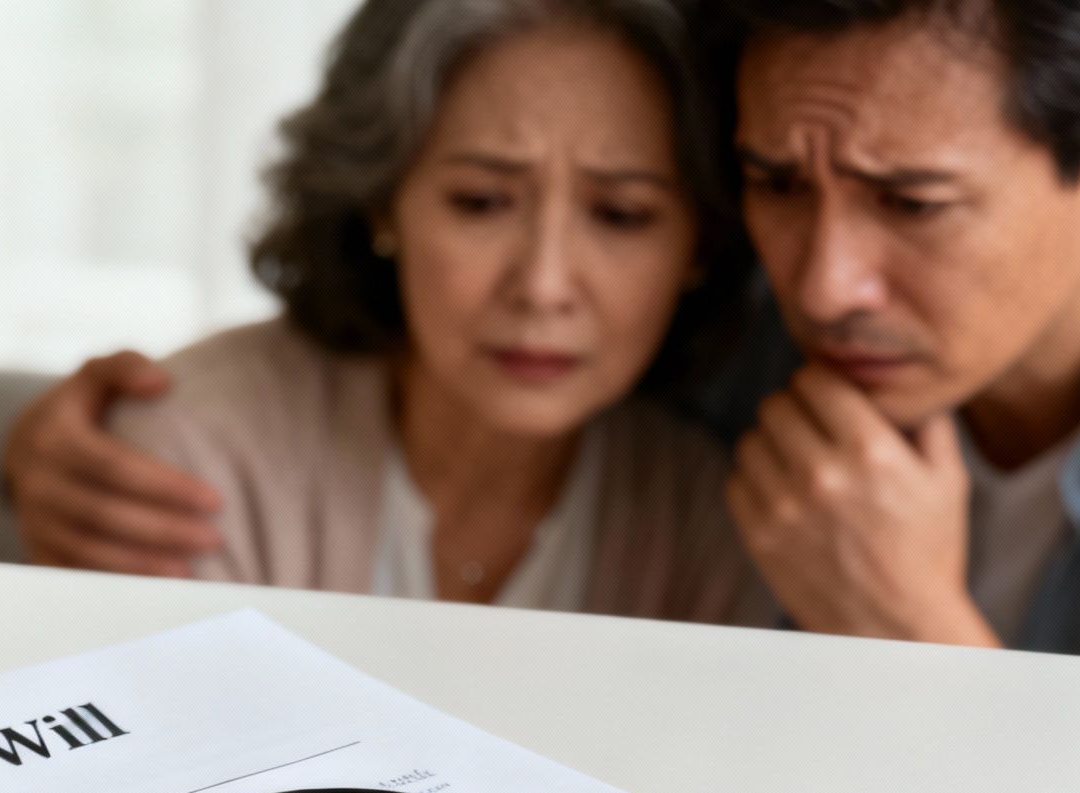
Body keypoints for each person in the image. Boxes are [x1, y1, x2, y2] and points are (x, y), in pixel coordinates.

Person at [3, 0, 1080, 675]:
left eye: (914, 204)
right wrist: (32, 456)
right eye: (775, 185)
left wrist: (913, 637)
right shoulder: (717, 294)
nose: (825, 283)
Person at [46, 0, 770, 621]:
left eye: (621, 214)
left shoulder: (716, 517)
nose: (544, 285)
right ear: (383, 200)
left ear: (700, 245)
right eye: (481, 202)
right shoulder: (191, 460)